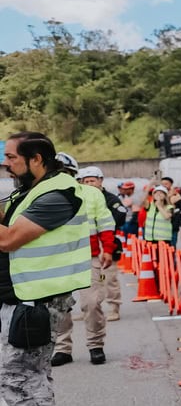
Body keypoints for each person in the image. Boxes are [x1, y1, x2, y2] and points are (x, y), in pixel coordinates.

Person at [0, 133, 91, 406]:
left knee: (17, 376)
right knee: (33, 374)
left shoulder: (58, 194)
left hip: (37, 300)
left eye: (11, 157)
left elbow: (8, 238)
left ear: (36, 158)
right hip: (21, 296)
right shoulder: (31, 190)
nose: (6, 162)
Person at [51, 157, 117, 367]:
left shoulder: (92, 194)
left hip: (88, 256)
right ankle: (63, 349)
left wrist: (108, 249)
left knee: (91, 302)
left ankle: (95, 345)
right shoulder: (46, 194)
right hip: (58, 258)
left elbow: (105, 223)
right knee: (58, 306)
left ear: (73, 174)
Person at [92, 168, 125, 322]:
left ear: (100, 181)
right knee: (92, 281)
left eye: (92, 180)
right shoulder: (82, 198)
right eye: (85, 181)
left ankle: (114, 307)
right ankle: (93, 309)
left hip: (108, 243)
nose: (89, 184)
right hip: (89, 246)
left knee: (109, 278)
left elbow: (120, 216)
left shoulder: (111, 199)